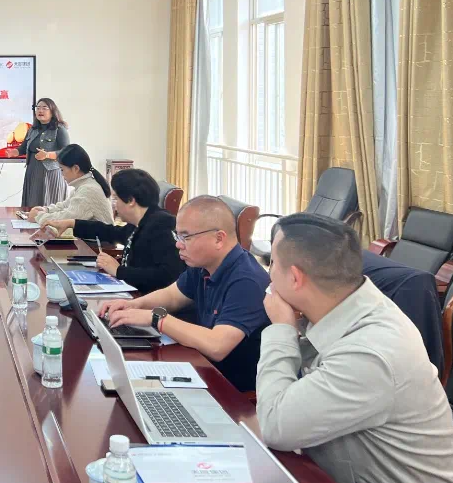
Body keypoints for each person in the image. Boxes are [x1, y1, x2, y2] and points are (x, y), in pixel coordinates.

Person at [257, 213, 453, 483]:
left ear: (295, 278)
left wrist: (282, 328)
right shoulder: (347, 303)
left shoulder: (371, 352)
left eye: (272, 263)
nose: (269, 274)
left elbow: (274, 425)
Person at [99, 195, 270, 392]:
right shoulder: (204, 265)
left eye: (186, 237)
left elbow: (217, 346)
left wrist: (156, 319)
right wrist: (132, 305)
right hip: (201, 368)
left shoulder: (247, 281)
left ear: (218, 239)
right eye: (177, 236)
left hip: (230, 390)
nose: (178, 245)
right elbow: (172, 296)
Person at [39, 169, 185, 293]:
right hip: (134, 293)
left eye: (116, 199)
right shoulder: (140, 222)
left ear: (131, 201)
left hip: (149, 303)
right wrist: (72, 223)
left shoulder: (161, 225)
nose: (114, 205)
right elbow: (110, 232)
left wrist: (118, 270)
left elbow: (168, 276)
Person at [26, 144, 112, 227]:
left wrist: (38, 216)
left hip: (99, 237)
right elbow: (65, 206)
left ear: (76, 168)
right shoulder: (84, 186)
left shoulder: (88, 190)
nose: (61, 174)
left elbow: (67, 218)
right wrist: (46, 210)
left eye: (62, 169)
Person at [5, 97, 70, 207]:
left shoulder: (59, 129)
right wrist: (14, 152)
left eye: (44, 108)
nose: (40, 111)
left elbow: (67, 152)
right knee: (32, 205)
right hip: (32, 170)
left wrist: (47, 155)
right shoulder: (32, 129)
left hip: (51, 173)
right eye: (38, 108)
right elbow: (23, 148)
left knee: (49, 205)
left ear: (52, 111)